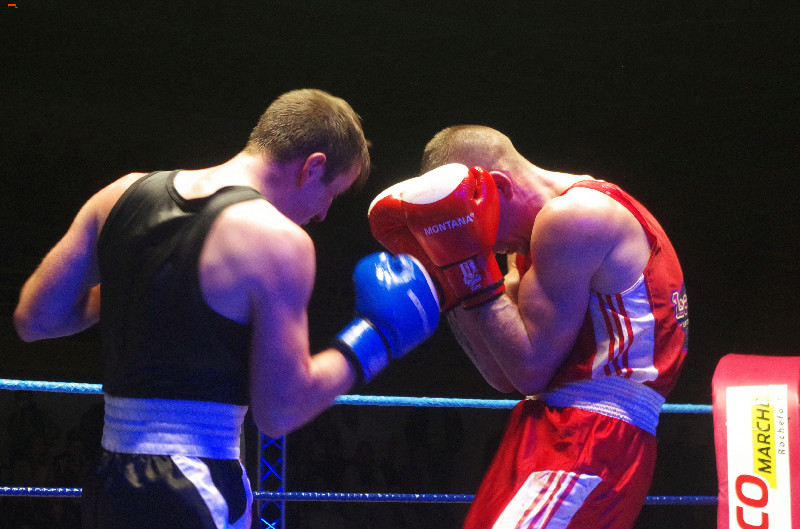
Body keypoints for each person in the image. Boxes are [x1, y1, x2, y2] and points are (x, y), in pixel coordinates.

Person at [13, 88, 440, 529]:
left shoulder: (120, 194)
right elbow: (279, 411)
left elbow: (36, 318)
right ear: (312, 167)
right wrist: (376, 337)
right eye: (333, 193)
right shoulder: (277, 241)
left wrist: (151, 280)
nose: (323, 215)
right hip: (194, 485)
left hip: (107, 479)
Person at [367, 125, 688, 529]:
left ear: (496, 187)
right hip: (549, 428)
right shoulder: (527, 247)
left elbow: (529, 369)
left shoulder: (574, 218)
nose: (486, 244)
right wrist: (447, 275)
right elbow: (506, 374)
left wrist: (464, 262)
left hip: (592, 439)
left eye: (472, 221)